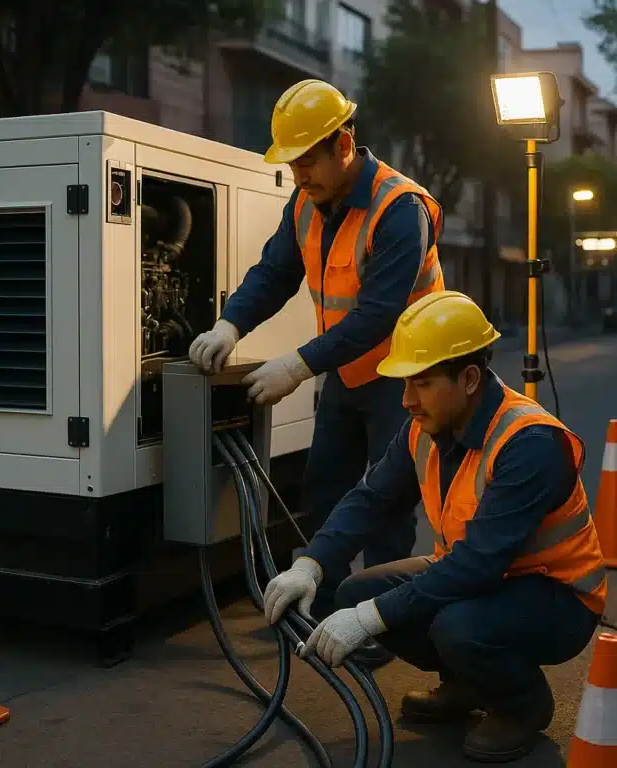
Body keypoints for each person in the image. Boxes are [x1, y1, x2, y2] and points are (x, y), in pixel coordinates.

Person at [262, 291, 607, 764]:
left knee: (454, 625)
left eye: (421, 384)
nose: (406, 401)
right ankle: (467, 683)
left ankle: (522, 705)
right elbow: (373, 499)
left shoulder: (530, 443)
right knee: (355, 593)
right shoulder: (424, 427)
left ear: (468, 379)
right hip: (481, 578)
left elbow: (476, 566)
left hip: (558, 598)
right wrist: (311, 564)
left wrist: (370, 620)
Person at [188, 79, 446, 616]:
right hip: (347, 373)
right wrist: (229, 326)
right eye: (291, 164)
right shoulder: (306, 201)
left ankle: (377, 622)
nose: (298, 175)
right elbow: (274, 272)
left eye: (307, 161)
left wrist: (297, 365)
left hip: (405, 379)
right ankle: (323, 607)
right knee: (325, 489)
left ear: (344, 145)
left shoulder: (400, 207)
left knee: (388, 503)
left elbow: (379, 315)